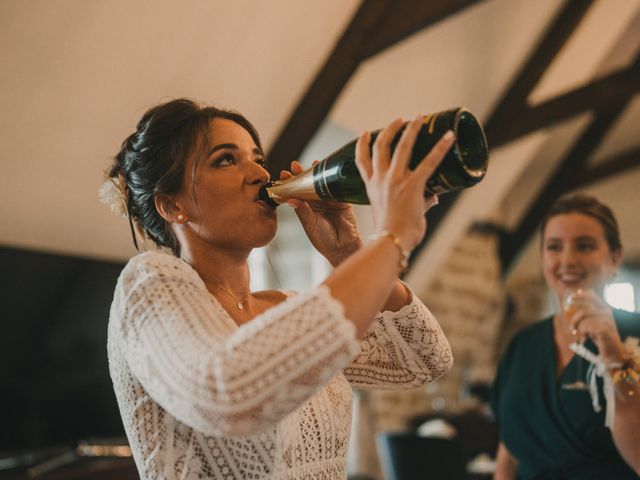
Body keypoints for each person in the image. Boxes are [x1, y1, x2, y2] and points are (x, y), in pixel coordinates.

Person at [102, 98, 454, 479]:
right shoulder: (147, 284)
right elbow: (231, 394)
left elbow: (423, 360)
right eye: (225, 159)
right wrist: (393, 236)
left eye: (258, 159)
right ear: (172, 206)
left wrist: (350, 254)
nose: (258, 173)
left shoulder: (287, 309)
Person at [491, 194, 640, 479]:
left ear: (614, 258)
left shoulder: (635, 333)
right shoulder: (522, 345)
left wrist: (613, 355)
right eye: (554, 247)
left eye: (584, 246)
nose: (567, 260)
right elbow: (508, 453)